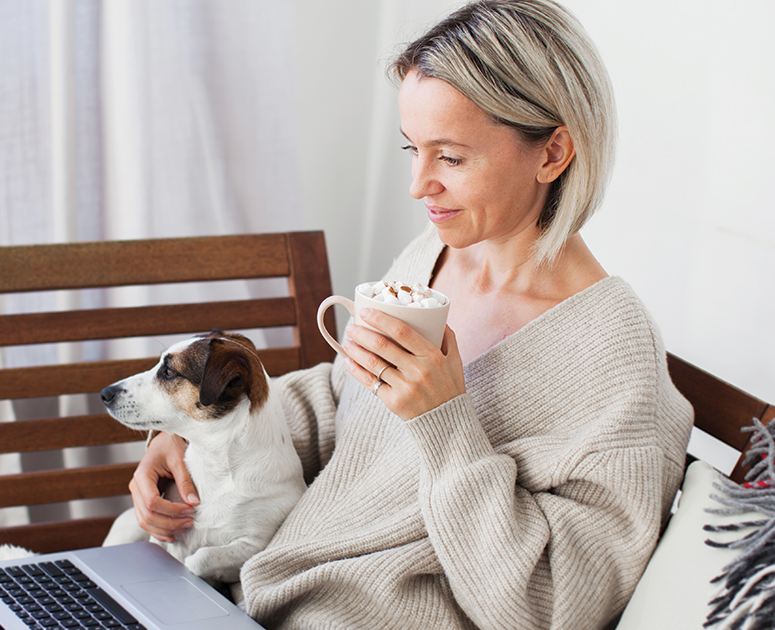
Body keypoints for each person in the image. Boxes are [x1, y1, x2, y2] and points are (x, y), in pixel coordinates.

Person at [125, 1, 693, 628]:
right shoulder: (433, 258)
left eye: (450, 157)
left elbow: (554, 606)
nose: (418, 185)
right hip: (262, 585)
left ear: (553, 152)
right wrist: (191, 432)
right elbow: (345, 405)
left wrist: (444, 421)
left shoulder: (616, 363)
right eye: (412, 149)